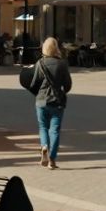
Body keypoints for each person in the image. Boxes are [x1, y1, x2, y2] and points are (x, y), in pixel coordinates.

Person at [28, 37, 73, 169]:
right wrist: (63, 90)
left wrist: (38, 93)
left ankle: (44, 146)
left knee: (43, 127)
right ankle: (52, 160)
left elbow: (33, 83)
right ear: (56, 48)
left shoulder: (40, 63)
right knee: (55, 130)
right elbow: (68, 84)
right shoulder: (62, 64)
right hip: (57, 101)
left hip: (41, 101)